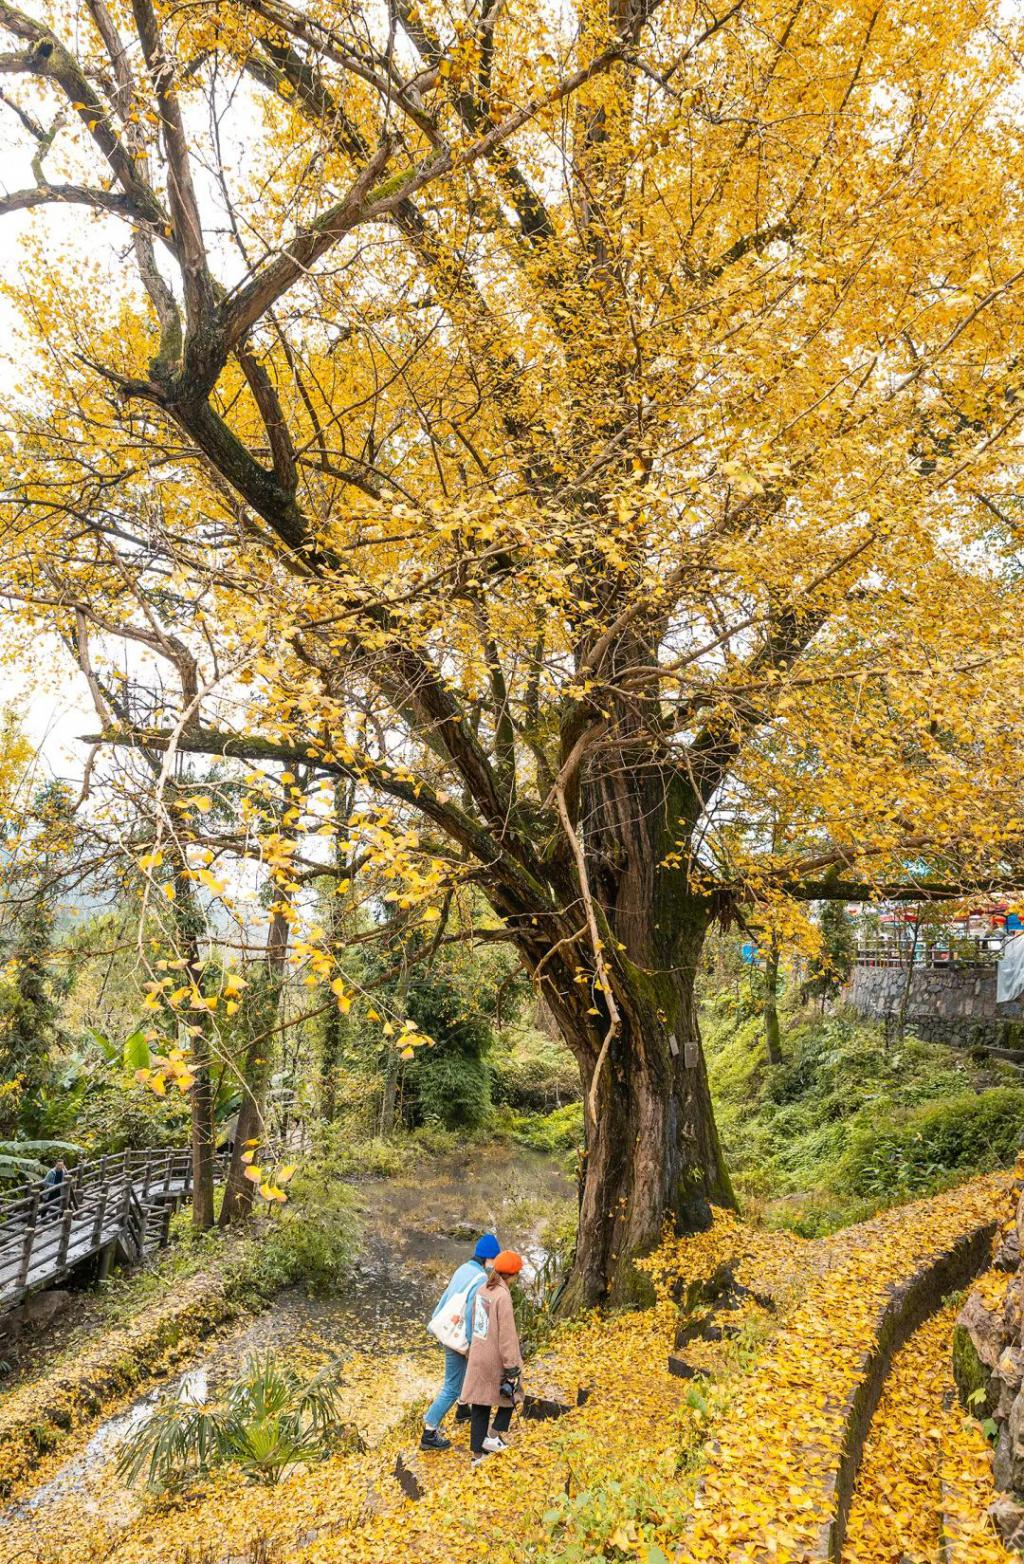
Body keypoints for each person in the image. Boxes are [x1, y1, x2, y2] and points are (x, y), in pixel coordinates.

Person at [421, 1233, 501, 1451]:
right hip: (458, 1338)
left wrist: (436, 1321)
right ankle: (429, 1431)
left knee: (464, 1375)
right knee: (451, 1387)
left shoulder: (463, 1268)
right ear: (489, 1258)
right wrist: (470, 1344)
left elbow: (447, 1297)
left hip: (447, 1331)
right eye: (495, 1259)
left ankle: (463, 1409)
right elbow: (471, 1314)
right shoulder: (481, 1280)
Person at [460, 1249, 524, 1466]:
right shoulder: (502, 1296)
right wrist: (512, 1368)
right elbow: (507, 1336)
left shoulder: (482, 1289)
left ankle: (477, 1456)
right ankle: (494, 1436)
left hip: (479, 1353)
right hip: (495, 1357)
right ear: (512, 1275)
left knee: (480, 1404)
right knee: (512, 1393)